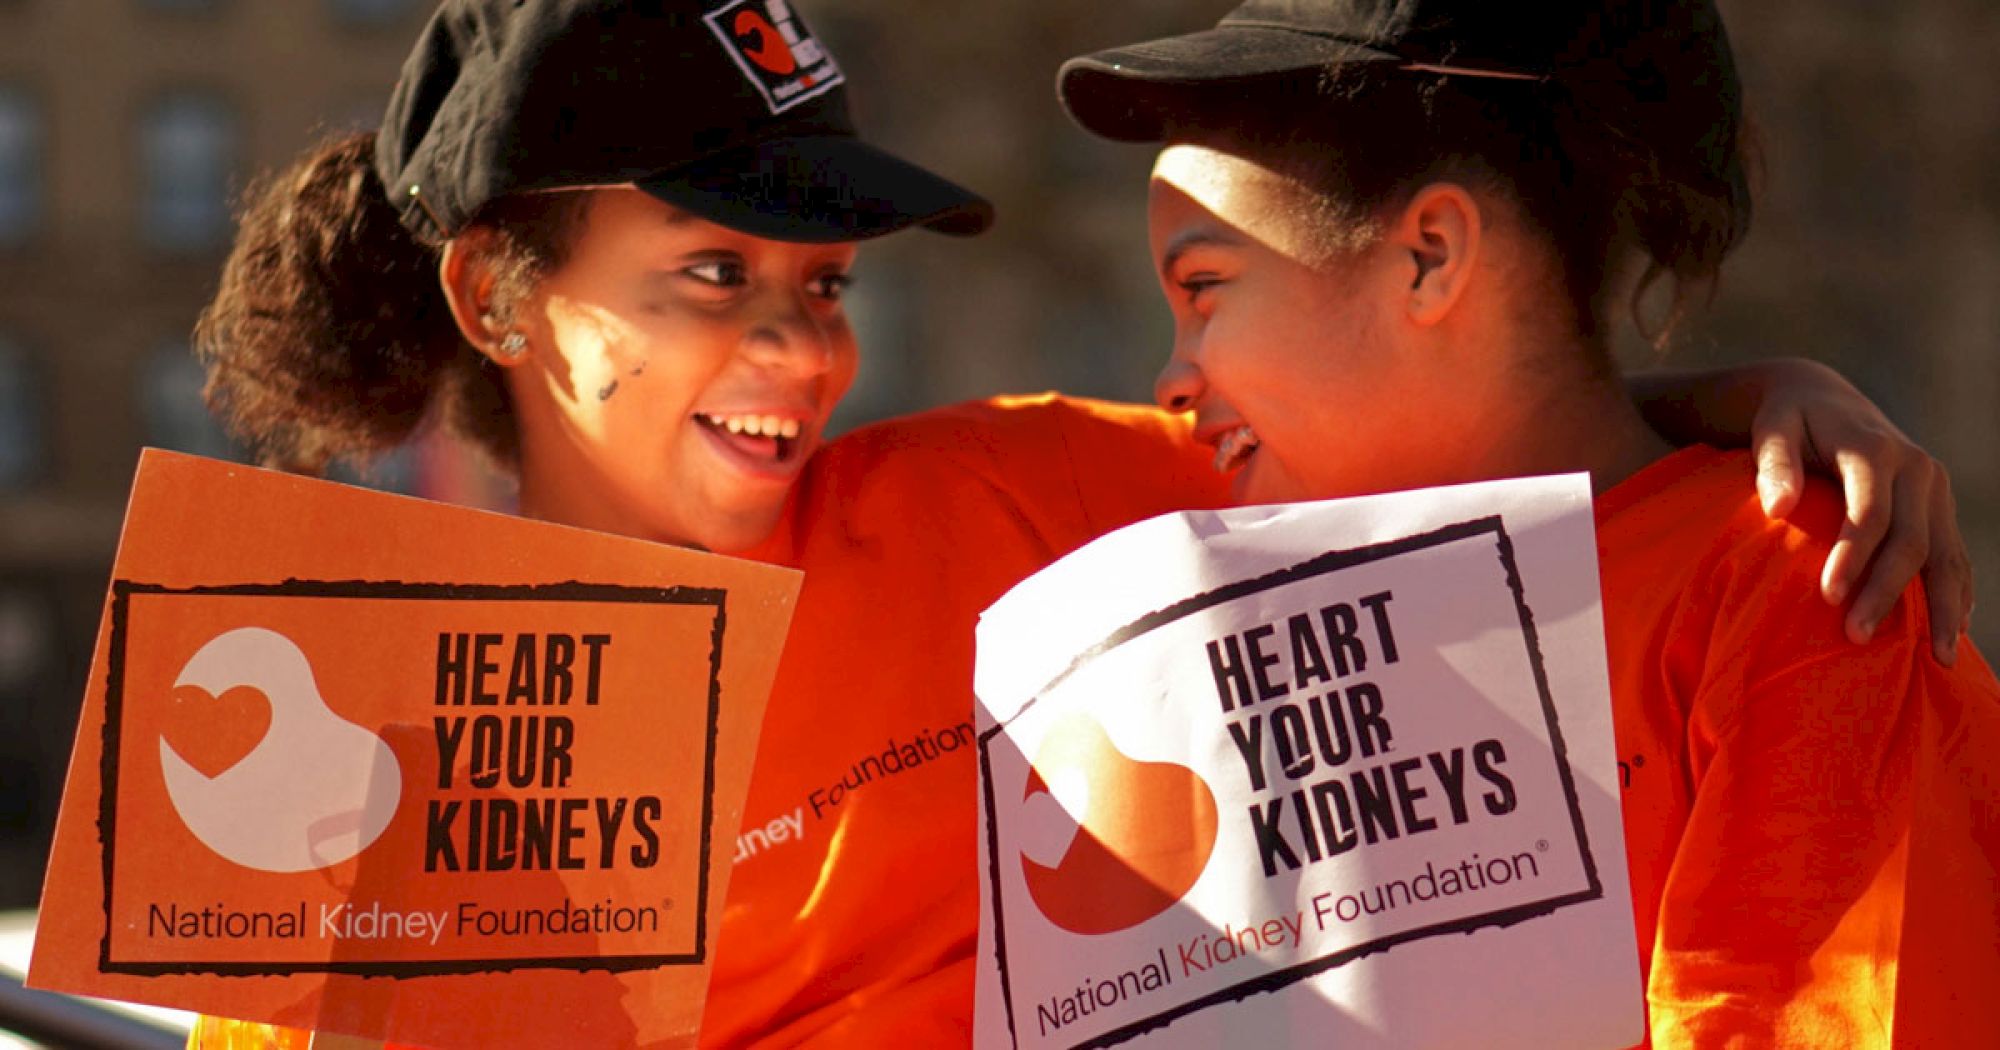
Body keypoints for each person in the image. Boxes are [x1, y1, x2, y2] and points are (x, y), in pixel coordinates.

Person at [183, 1, 1977, 1046]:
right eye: (714, 274)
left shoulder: (1017, 496)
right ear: (498, 296)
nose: (801, 349)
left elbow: (1437, 428)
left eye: (822, 281)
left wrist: (1750, 401)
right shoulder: (329, 734)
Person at [1052, 0, 2000, 1044]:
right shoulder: (1198, 540)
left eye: (1203, 289)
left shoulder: (1801, 586)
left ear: (1427, 255)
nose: (1170, 378)